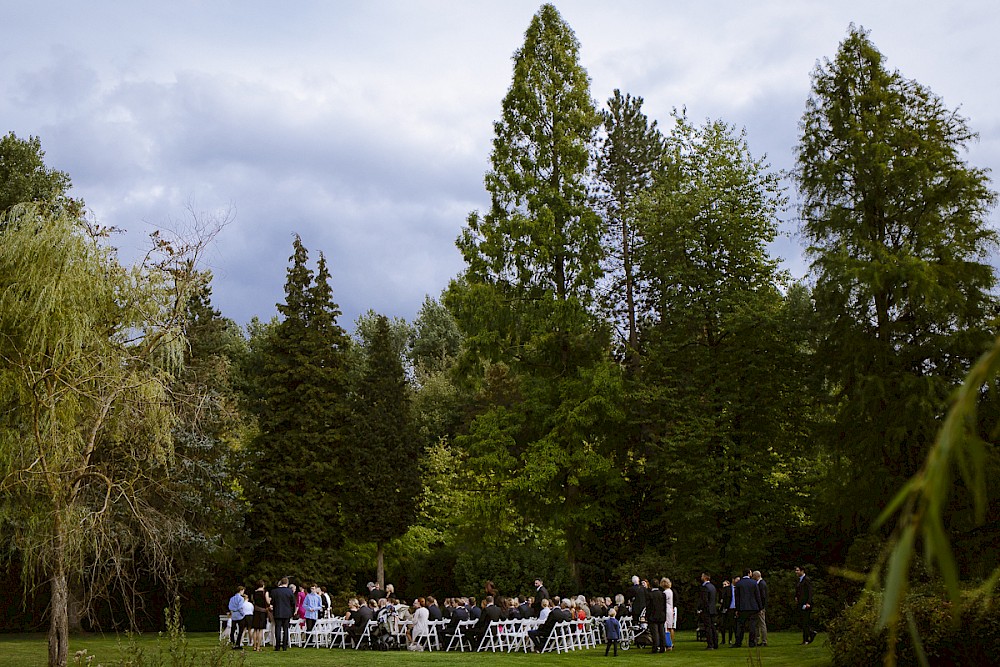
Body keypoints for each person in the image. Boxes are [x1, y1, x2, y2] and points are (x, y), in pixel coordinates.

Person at [733, 568, 762, 648]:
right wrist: (760, 607)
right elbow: (757, 596)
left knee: (740, 625)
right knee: (752, 625)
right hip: (753, 607)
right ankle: (751, 642)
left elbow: (737, 598)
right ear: (749, 573)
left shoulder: (739, 584)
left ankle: (738, 642)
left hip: (742, 607)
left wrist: (737, 609)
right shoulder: (754, 583)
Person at [270, 577, 296, 651]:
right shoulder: (289, 591)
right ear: (287, 583)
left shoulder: (274, 591)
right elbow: (293, 603)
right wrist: (292, 612)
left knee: (277, 629)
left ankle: (277, 646)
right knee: (285, 629)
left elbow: (272, 602)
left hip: (277, 612)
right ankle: (284, 646)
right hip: (287, 612)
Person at [795, 566, 817, 644]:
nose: (796, 572)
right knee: (801, 621)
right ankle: (810, 633)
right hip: (800, 603)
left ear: (802, 571)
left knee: (805, 622)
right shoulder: (800, 580)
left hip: (806, 604)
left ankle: (806, 639)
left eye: (798, 570)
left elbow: (810, 592)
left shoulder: (806, 580)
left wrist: (808, 603)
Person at [645, 579, 667, 653]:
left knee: (654, 633)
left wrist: (647, 616)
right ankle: (662, 647)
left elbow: (648, 607)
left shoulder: (650, 595)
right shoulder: (663, 594)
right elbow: (664, 606)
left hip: (652, 615)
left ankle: (655, 647)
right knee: (661, 632)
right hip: (661, 615)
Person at [698, 573, 719, 650]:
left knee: (708, 627)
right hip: (713, 609)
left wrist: (700, 608)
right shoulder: (713, 587)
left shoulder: (705, 587)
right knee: (713, 627)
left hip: (707, 610)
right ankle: (715, 643)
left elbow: (704, 600)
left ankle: (710, 644)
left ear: (705, 577)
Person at [250, 581, 270, 652]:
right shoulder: (265, 592)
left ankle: (254, 646)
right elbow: (268, 602)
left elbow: (253, 601)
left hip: (256, 611)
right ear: (263, 585)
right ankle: (258, 646)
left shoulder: (254, 593)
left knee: (255, 629)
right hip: (262, 612)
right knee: (261, 630)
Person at [752, 570, 768, 646]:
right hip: (759, 607)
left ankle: (764, 640)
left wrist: (761, 608)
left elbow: (763, 597)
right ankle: (758, 639)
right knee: (758, 624)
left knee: (762, 623)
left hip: (760, 607)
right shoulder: (760, 583)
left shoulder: (761, 584)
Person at [719, 578, 736, 645]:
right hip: (724, 609)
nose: (724, 586)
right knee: (722, 625)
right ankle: (723, 640)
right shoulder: (722, 591)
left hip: (729, 609)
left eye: (725, 584)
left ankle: (730, 639)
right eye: (723, 585)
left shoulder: (730, 591)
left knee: (730, 625)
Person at [662, 578, 675, 649]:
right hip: (670, 610)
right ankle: (670, 643)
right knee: (670, 627)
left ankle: (669, 643)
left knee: (667, 628)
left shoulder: (666, 592)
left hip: (667, 610)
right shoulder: (670, 591)